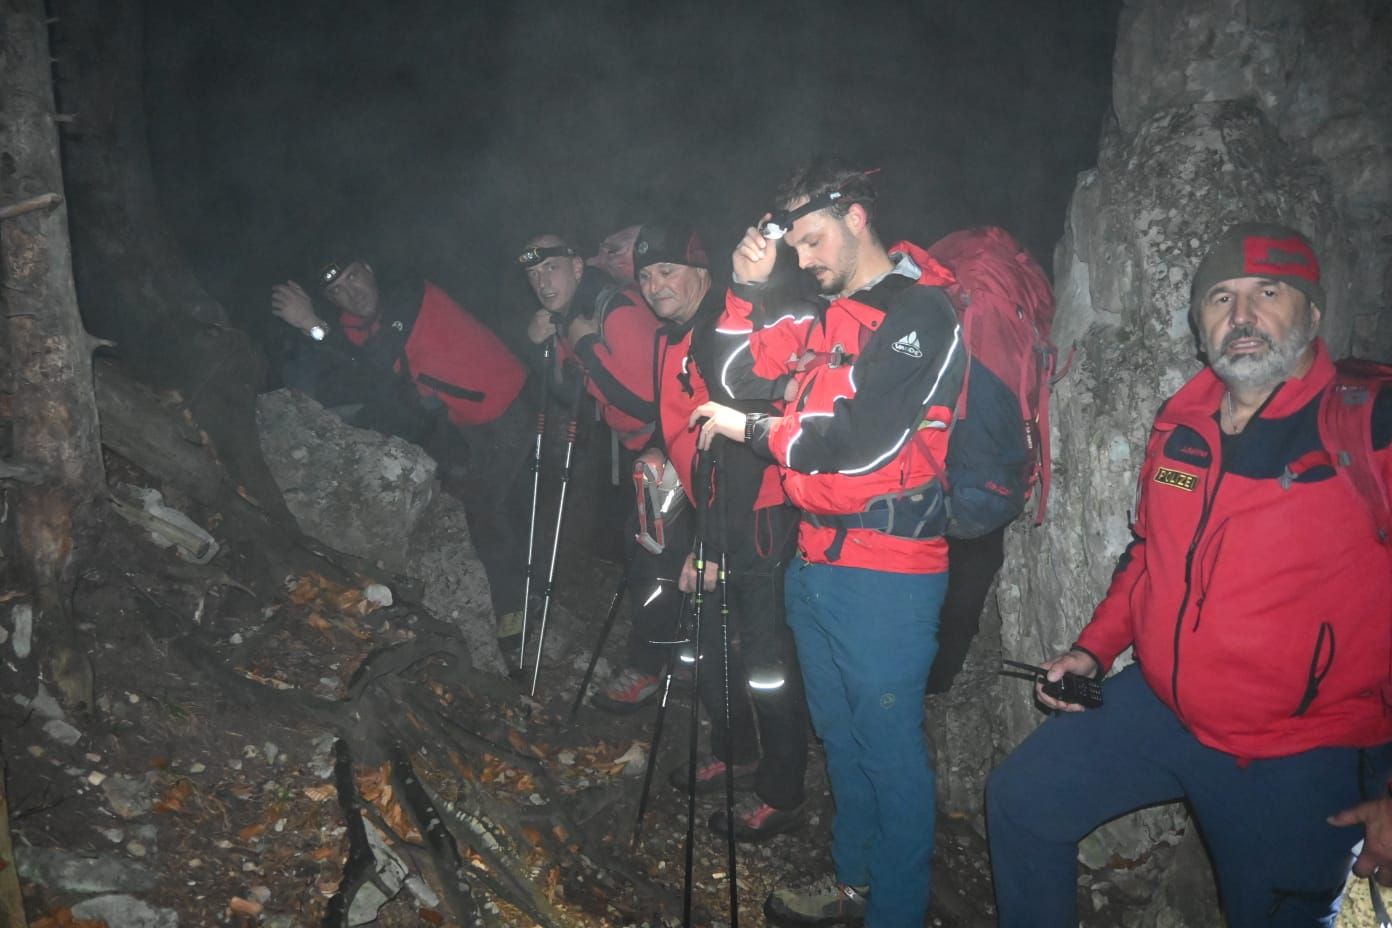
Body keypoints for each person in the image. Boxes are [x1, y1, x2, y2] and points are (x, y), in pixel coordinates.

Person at [985, 222, 1392, 927]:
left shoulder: (1370, 423)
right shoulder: (1184, 419)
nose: (1242, 316)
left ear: (1314, 313)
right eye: (1220, 299)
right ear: (1199, 324)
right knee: (1023, 801)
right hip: (1164, 707)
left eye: (1269, 293)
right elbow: (1149, 554)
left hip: (1296, 751)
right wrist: (1094, 649)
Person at [692, 156, 966, 927]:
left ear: (855, 218)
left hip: (890, 571)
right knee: (840, 737)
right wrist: (744, 292)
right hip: (814, 559)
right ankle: (853, 884)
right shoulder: (821, 316)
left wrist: (758, 430)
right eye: (796, 248)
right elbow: (734, 373)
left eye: (813, 241)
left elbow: (863, 445)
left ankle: (897, 911)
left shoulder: (923, 315)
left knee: (888, 748)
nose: (804, 261)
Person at [620, 218, 810, 840]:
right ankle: (736, 747)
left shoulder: (720, 334)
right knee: (704, 639)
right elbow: (685, 421)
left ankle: (782, 793)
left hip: (754, 512)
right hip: (715, 510)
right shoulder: (673, 337)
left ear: (703, 274)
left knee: (765, 659)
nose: (654, 285)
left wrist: (707, 547)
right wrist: (655, 446)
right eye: (645, 275)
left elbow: (739, 441)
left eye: (667, 270)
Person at [270, 251, 534, 653]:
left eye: (353, 277)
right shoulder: (354, 327)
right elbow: (358, 375)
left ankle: (515, 618)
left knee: (495, 511)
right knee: (474, 507)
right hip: (468, 422)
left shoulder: (408, 294)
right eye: (337, 290)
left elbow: (378, 358)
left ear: (370, 271)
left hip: (511, 405)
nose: (350, 292)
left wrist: (312, 325)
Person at [514, 233, 673, 701]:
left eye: (551, 269)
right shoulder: (569, 319)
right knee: (648, 551)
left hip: (668, 451)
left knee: (651, 558)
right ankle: (674, 658)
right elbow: (570, 392)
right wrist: (538, 344)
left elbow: (645, 401)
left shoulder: (616, 311)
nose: (542, 282)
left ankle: (648, 667)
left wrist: (582, 345)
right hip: (633, 451)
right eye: (532, 274)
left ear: (578, 269)